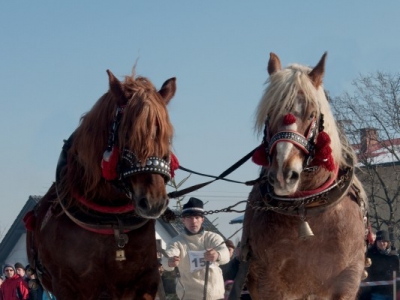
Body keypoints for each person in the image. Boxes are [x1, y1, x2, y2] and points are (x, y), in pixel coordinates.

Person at [162, 197, 230, 300]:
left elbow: (225, 254)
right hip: (189, 296)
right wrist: (169, 262)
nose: (193, 221)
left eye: (197, 217)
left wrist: (217, 255)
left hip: (215, 296)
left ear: (202, 219)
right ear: (183, 220)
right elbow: (168, 256)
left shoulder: (213, 237)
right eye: (189, 218)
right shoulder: (177, 242)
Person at [365, 230, 400, 300]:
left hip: (393, 291)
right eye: (379, 241)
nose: (382, 243)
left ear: (388, 242)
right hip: (377, 292)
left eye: (384, 241)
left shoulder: (394, 255)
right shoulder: (371, 255)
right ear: (376, 242)